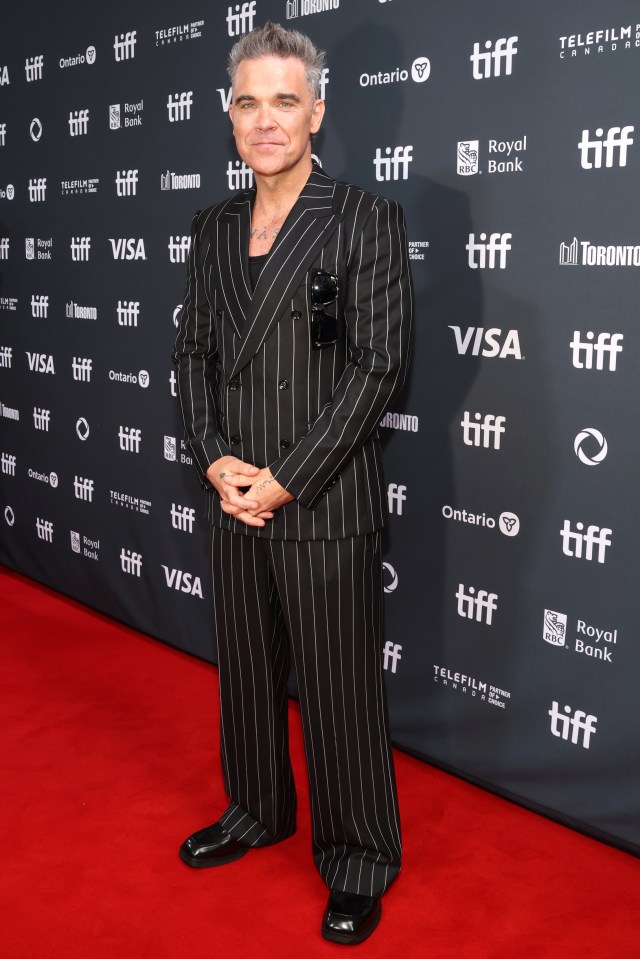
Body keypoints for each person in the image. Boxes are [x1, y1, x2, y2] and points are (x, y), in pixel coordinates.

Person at [172, 21, 413, 945]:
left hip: (321, 500)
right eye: (247, 101)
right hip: (233, 494)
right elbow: (193, 355)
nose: (264, 119)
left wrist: (285, 479)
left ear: (317, 110)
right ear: (227, 115)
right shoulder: (213, 226)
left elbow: (378, 368)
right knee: (244, 671)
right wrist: (214, 458)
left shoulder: (363, 217)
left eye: (283, 100)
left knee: (341, 689)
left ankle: (358, 857)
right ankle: (256, 810)